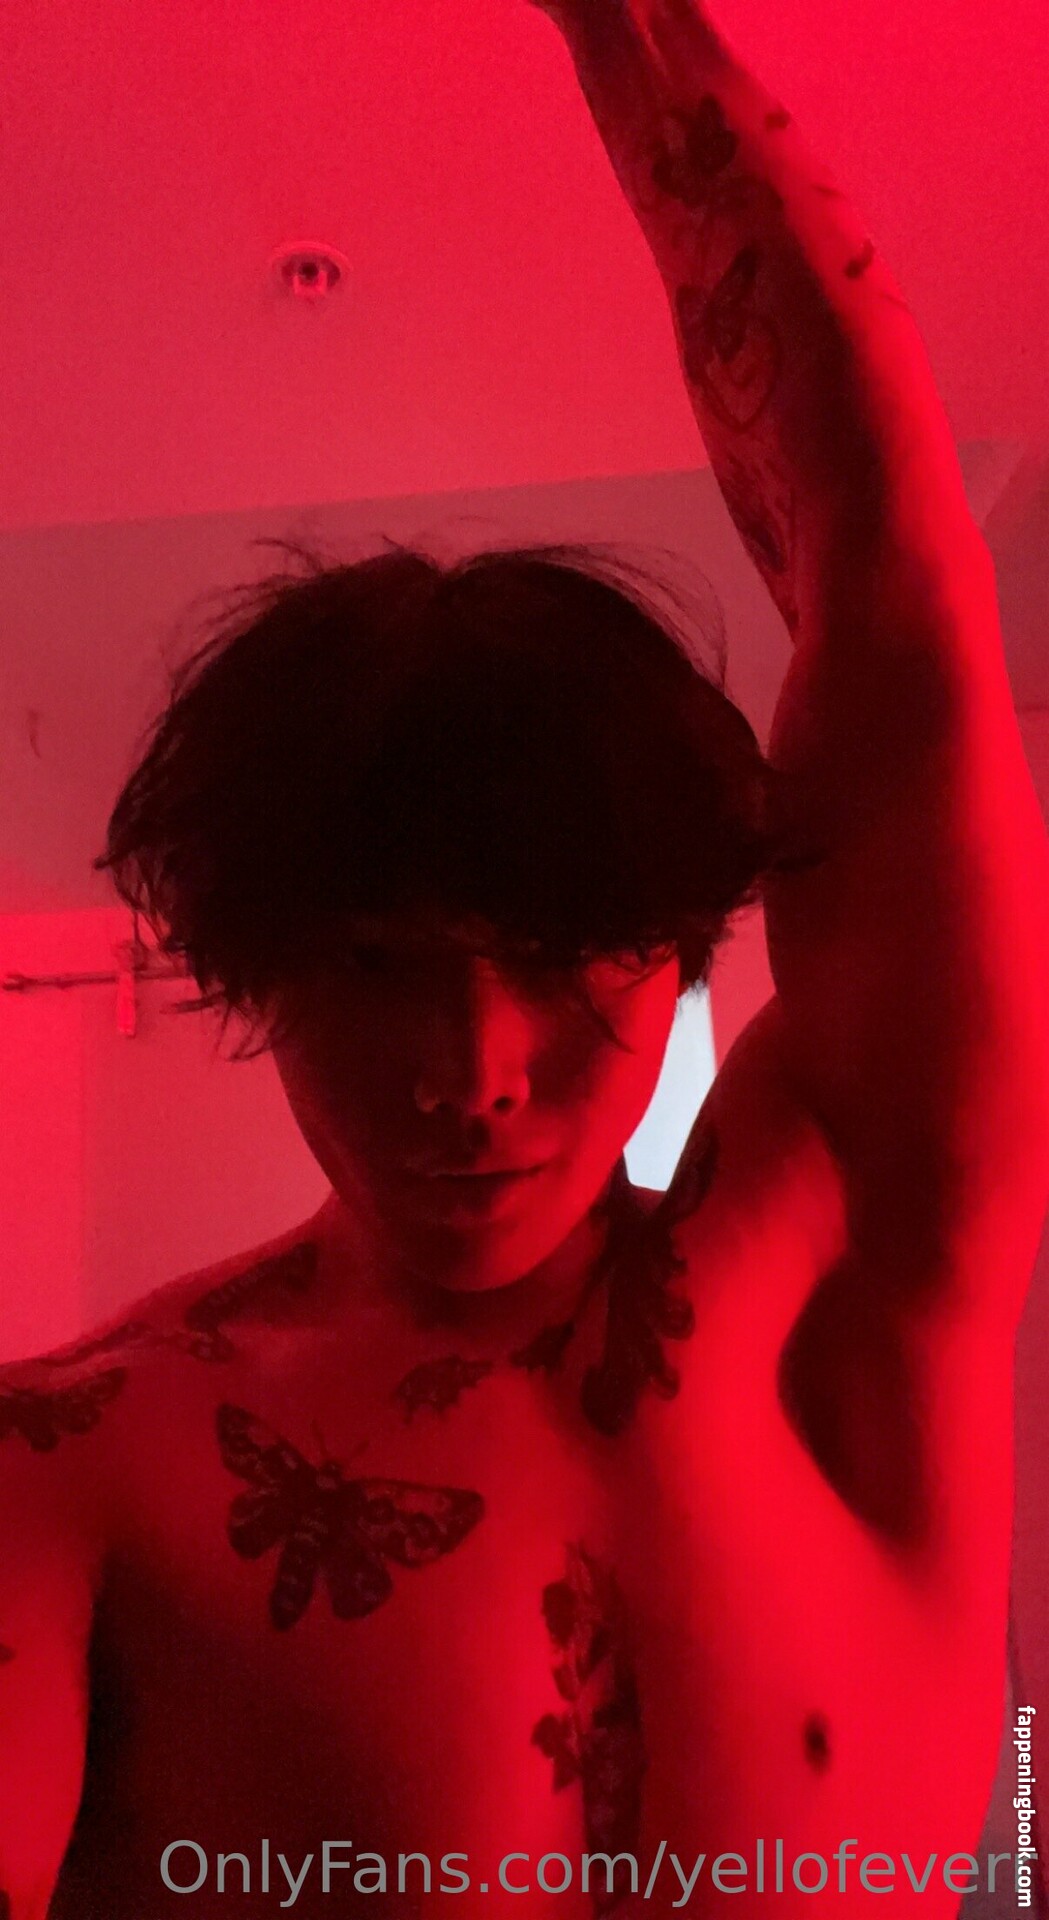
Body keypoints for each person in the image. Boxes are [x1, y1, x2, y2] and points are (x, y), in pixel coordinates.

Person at [2, 1, 1048, 1914]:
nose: (469, 1069)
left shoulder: (844, 1271)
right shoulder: (75, 1477)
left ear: (678, 952)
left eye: (562, 960)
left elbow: (888, 565)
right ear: (254, 970)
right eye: (370, 964)